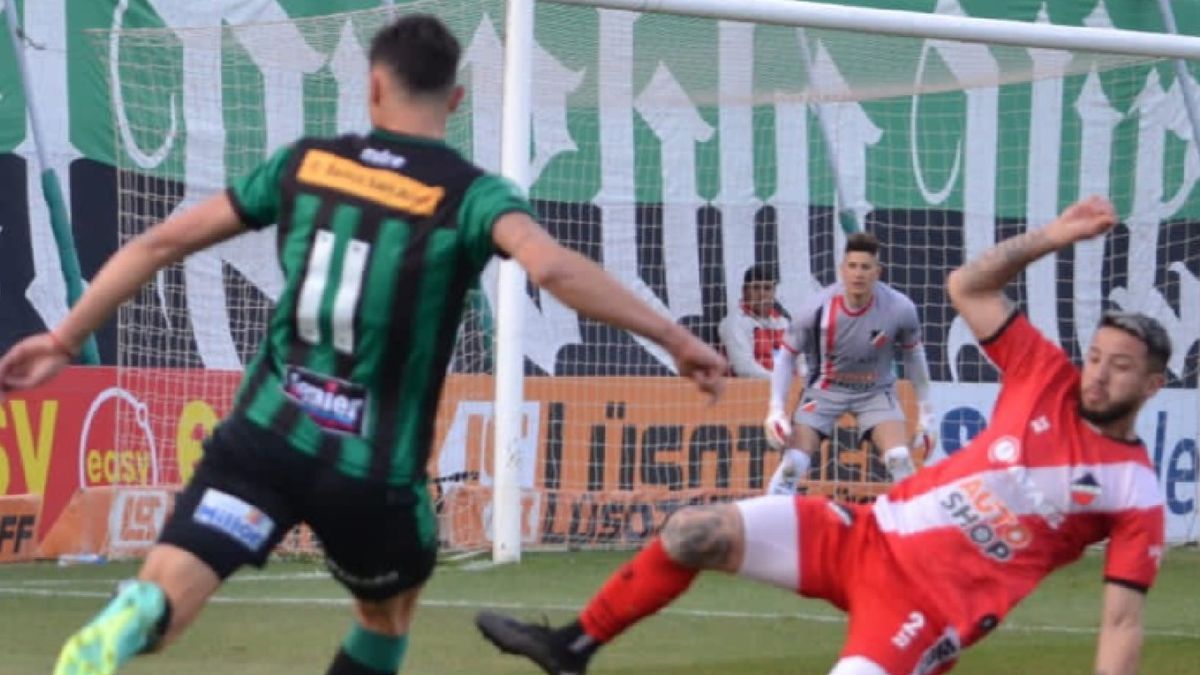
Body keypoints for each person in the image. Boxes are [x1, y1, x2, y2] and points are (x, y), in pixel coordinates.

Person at [0, 15, 726, 675]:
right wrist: (672, 336)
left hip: (265, 439)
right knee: (388, 611)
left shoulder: (307, 165)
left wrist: (65, 337)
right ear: (457, 100)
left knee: (167, 589)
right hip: (370, 471)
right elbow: (554, 268)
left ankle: (137, 615)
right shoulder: (473, 194)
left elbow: (160, 242)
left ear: (373, 85)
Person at [474, 195, 1168, 675]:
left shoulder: (1134, 491)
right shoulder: (1045, 372)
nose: (1099, 375)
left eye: (1121, 367)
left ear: (1153, 385)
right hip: (862, 535)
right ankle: (572, 645)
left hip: (928, 608)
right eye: (1098, 357)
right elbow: (969, 286)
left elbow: (1120, 623)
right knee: (693, 532)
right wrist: (1052, 235)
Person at [763, 232, 935, 494]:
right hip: (824, 390)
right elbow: (786, 356)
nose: (858, 274)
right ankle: (770, 526)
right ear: (841, 270)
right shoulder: (815, 308)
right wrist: (775, 409)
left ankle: (913, 529)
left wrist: (927, 415)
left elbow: (914, 355)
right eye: (852, 266)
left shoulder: (900, 308)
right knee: (792, 465)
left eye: (866, 267)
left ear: (878, 271)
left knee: (900, 458)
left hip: (875, 392)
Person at [717, 263, 789, 378]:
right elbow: (744, 369)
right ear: (744, 291)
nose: (762, 294)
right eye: (756, 288)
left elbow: (800, 364)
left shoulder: (783, 323)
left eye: (767, 288)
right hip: (746, 392)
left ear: (774, 292)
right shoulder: (734, 323)